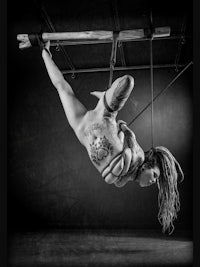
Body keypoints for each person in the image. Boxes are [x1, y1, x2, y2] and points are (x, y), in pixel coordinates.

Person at [41, 41, 184, 234]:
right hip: (104, 117)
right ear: (149, 164)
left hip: (82, 127)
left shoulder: (124, 177)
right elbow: (129, 135)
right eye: (156, 176)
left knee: (62, 88)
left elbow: (118, 174)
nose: (153, 182)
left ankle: (44, 53)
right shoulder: (137, 156)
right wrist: (121, 124)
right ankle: (106, 95)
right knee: (128, 82)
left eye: (155, 182)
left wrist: (45, 52)